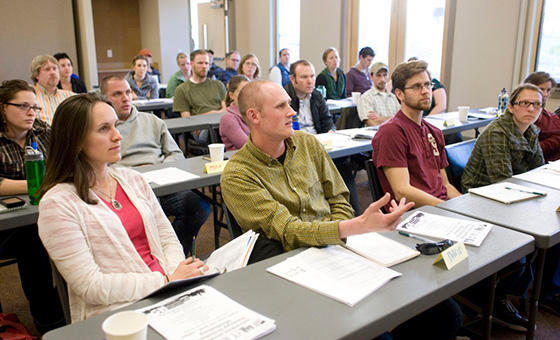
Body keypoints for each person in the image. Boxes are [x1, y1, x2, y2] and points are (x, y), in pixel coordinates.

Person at [220, 80, 462, 340]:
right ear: (254, 116)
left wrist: (343, 238)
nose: (292, 112)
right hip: (293, 262)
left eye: (290, 103)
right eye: (281, 106)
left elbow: (339, 199)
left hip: (339, 250)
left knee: (447, 315)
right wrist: (353, 228)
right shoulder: (237, 173)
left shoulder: (307, 144)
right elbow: (287, 230)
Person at [37, 93, 208, 322]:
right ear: (75, 140)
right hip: (116, 312)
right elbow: (91, 286)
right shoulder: (58, 204)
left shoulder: (132, 179)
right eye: (103, 129)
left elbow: (167, 237)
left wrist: (175, 275)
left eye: (115, 126)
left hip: (166, 290)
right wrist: (165, 281)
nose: (118, 136)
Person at [100, 75, 211, 252]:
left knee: (199, 207)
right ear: (104, 98)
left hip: (161, 182)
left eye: (128, 92)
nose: (125, 98)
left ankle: (175, 254)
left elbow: (175, 153)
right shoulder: (101, 129)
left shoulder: (152, 121)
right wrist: (133, 173)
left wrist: (159, 169)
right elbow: (101, 166)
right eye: (117, 94)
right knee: (139, 218)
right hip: (126, 188)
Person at [0, 80, 65, 333]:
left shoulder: (41, 130)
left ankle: (51, 318)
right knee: (32, 239)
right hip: (6, 224)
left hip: (37, 214)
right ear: (3, 107)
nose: (31, 113)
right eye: (23, 106)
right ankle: (48, 318)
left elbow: (62, 162)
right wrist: (37, 183)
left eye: (35, 107)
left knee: (35, 237)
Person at [371, 60, 461, 210]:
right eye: (417, 86)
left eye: (427, 85)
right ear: (400, 94)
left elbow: (445, 185)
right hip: (415, 215)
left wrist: (465, 207)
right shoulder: (391, 132)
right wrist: (446, 208)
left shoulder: (434, 132)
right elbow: (402, 191)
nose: (425, 91)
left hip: (440, 208)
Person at [284, 60, 361, 214]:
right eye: (304, 77)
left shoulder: (317, 96)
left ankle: (353, 213)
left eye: (312, 76)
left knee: (343, 162)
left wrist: (331, 131)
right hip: (295, 146)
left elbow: (327, 121)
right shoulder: (284, 98)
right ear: (293, 79)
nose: (310, 81)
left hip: (319, 143)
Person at [462, 83, 544, 191]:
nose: (531, 109)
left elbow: (538, 170)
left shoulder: (531, 129)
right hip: (482, 192)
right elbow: (502, 182)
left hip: (516, 188)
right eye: (524, 103)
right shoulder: (496, 132)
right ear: (510, 107)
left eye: (537, 104)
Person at [173, 50, 227, 144]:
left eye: (206, 63)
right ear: (192, 64)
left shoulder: (218, 85)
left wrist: (212, 114)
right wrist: (213, 114)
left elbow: (226, 109)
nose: (204, 66)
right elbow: (187, 120)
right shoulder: (182, 89)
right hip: (201, 129)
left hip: (221, 123)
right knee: (216, 130)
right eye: (200, 63)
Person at [524, 71, 560, 162]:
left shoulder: (549, 115)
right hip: (542, 164)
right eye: (541, 89)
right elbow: (529, 149)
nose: (545, 94)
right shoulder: (526, 115)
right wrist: (556, 140)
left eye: (548, 90)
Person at [30, 54, 75, 124]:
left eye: (55, 69)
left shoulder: (70, 97)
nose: (53, 72)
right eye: (47, 69)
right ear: (36, 74)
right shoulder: (29, 97)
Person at [357, 62, 400, 126]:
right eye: (378, 75)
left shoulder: (394, 98)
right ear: (371, 77)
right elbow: (372, 123)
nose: (382, 79)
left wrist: (380, 118)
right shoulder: (366, 97)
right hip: (376, 134)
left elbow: (402, 121)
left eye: (385, 75)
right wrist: (394, 119)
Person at [219, 75, 250, 151]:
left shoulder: (254, 113)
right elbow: (246, 145)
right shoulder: (228, 119)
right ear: (231, 95)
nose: (247, 95)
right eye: (241, 92)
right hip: (241, 159)